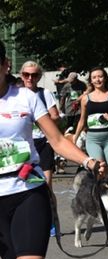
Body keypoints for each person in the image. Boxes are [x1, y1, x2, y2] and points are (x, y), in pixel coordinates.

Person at [0, 40, 105, 259]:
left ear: (4, 66)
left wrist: (88, 160)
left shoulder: (26, 98)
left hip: (27, 192)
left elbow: (58, 141)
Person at [19, 60, 62, 236]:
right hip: (24, 146)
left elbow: (56, 116)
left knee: (46, 185)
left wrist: (41, 121)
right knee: (23, 187)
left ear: (39, 76)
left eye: (34, 75)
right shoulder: (16, 95)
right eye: (27, 75)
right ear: (21, 75)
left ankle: (52, 220)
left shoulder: (44, 94)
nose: (30, 78)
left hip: (43, 143)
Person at [73, 67, 108, 173]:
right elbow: (82, 120)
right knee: (100, 169)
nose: (98, 80)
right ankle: (97, 189)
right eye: (94, 77)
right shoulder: (85, 98)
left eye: (100, 77)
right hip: (93, 139)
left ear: (105, 78)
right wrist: (75, 138)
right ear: (91, 80)